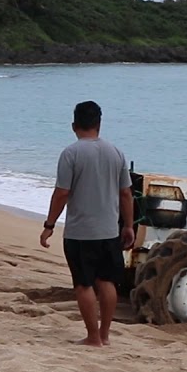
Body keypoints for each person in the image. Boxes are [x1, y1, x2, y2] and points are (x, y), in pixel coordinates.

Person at [39, 101, 135, 348]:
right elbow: (126, 193)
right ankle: (104, 334)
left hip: (81, 232)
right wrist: (128, 226)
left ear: (74, 125)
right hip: (109, 230)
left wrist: (49, 224)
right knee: (107, 282)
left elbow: (62, 193)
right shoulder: (116, 153)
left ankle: (93, 337)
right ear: (99, 124)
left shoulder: (71, 153)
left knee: (83, 283)